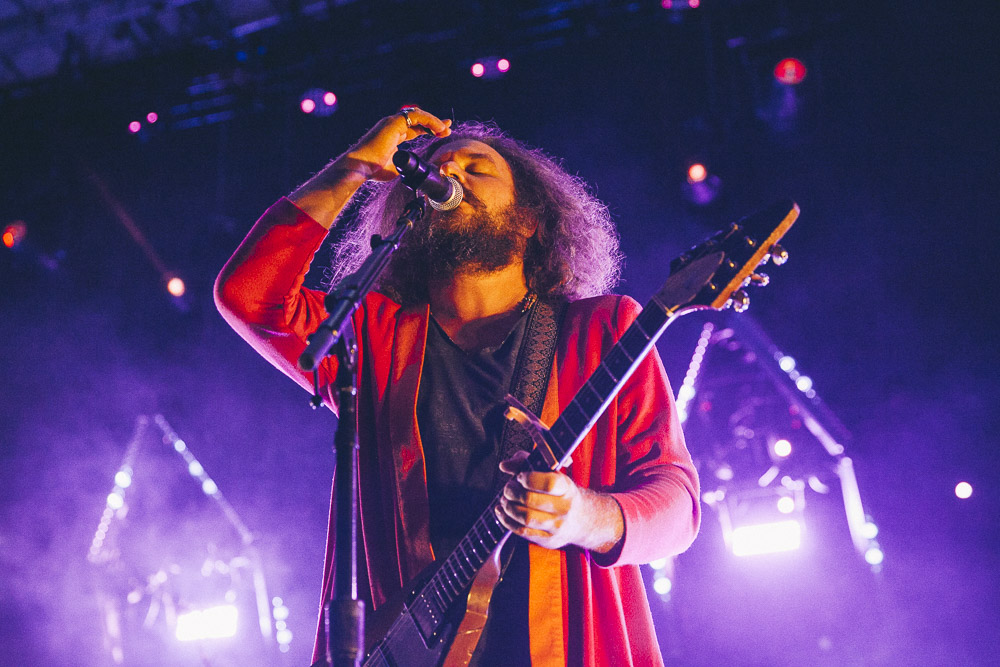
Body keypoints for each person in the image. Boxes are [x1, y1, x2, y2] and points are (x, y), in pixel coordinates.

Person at [215, 107, 700, 666]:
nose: (452, 176)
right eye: (438, 168)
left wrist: (586, 517)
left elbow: (678, 504)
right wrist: (356, 168)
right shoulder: (373, 336)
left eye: (478, 169)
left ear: (529, 220)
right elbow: (251, 297)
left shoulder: (604, 328)